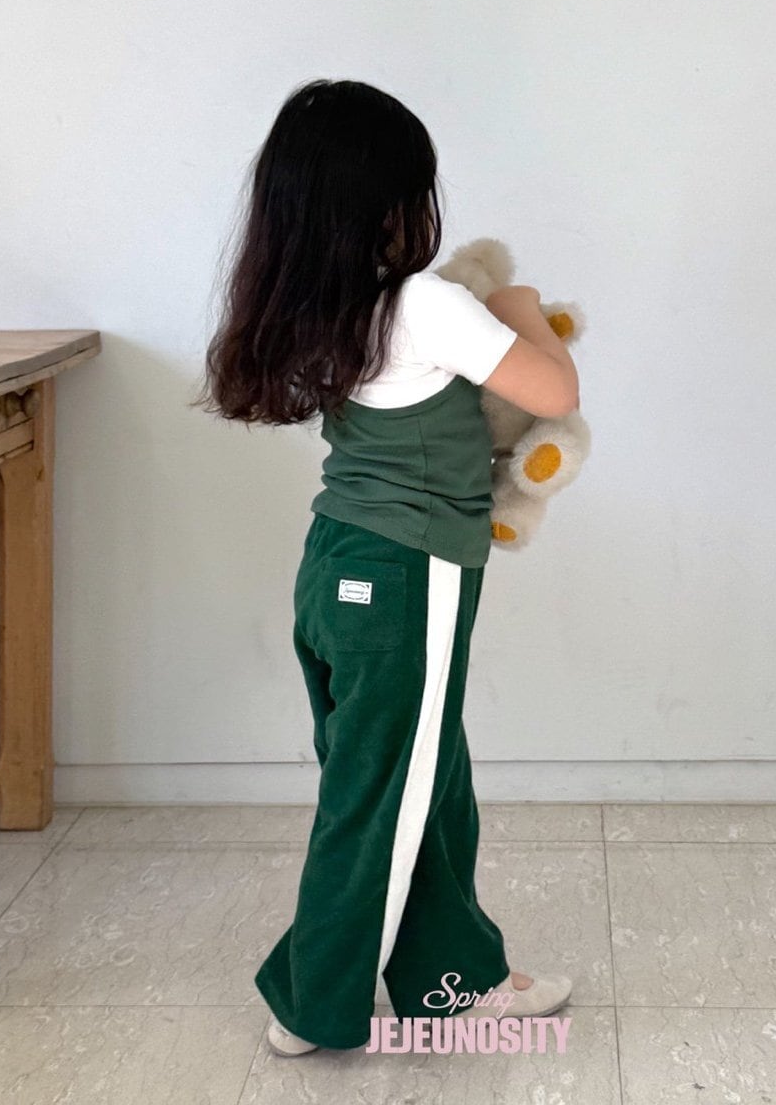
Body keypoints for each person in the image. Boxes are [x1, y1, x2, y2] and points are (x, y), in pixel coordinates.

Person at [195, 78, 579, 1055]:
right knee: (385, 800)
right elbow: (552, 388)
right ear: (391, 203)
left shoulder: (320, 305)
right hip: (411, 576)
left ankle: (456, 982)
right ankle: (309, 1002)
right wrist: (521, 308)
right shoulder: (423, 305)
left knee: (420, 775)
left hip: (340, 566)